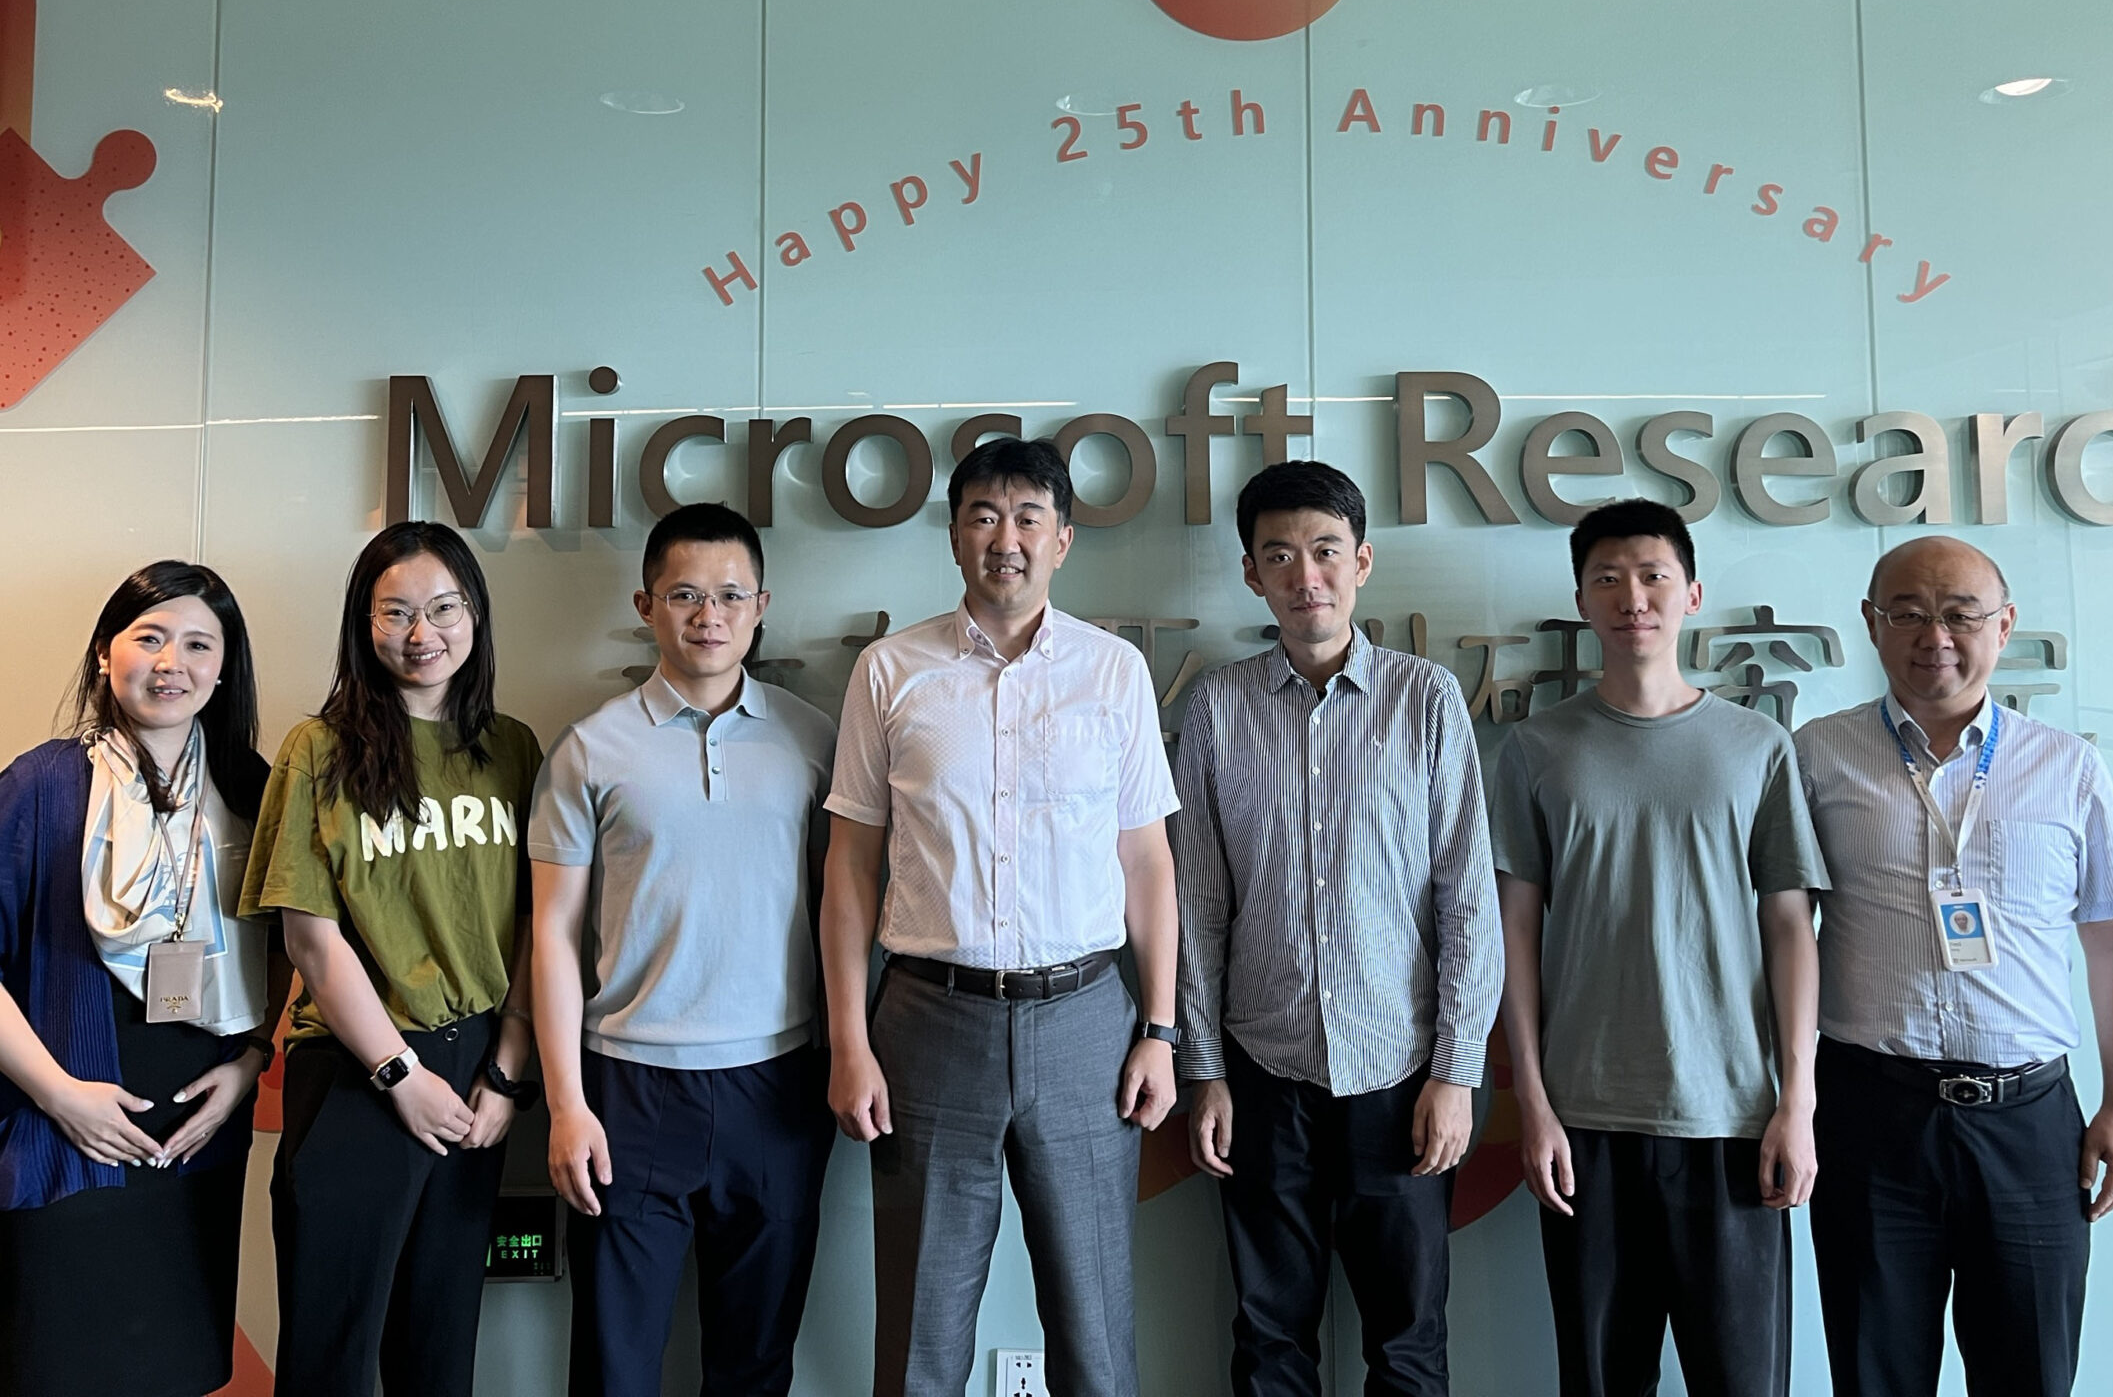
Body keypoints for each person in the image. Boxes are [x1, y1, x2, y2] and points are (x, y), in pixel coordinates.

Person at [821, 437, 1182, 1397]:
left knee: (1095, 1329)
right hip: (928, 1026)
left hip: (1087, 1028)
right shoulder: (890, 672)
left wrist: (1159, 1027)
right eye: (984, 516)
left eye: (1029, 519)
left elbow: (1146, 861)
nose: (1006, 539)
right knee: (919, 1335)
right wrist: (849, 1041)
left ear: (1063, 540)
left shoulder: (1115, 673)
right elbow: (851, 866)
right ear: (953, 535)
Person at [1795, 536, 2113, 1397]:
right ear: (1871, 626)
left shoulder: (2067, 765)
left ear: (2004, 626)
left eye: (1960, 615)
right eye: (1910, 614)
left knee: (2030, 1375)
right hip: (1870, 1115)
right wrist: (1794, 1096)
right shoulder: (1816, 756)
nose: (1937, 637)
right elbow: (1783, 934)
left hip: (2030, 1125)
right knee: (1876, 1374)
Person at [1172, 461, 1502, 1396]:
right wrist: (1202, 1070)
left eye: (1324, 551)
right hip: (1260, 1069)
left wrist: (1455, 1071)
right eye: (1279, 556)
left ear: (1361, 561)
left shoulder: (1427, 699)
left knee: (1407, 1340)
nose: (1304, 575)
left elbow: (1466, 897)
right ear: (1252, 574)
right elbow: (1196, 904)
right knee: (1269, 1337)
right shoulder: (1216, 708)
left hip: (1399, 1072)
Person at [1490, 498, 1826, 1397]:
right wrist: (1534, 1102)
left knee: (1746, 1381)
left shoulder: (1758, 746)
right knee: (1600, 1381)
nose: (1631, 596)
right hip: (1587, 1120)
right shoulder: (1535, 749)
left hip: (1735, 1122)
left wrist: (1797, 1103)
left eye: (1652, 577)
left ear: (1691, 595)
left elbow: (1791, 926)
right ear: (1582, 600)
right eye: (1608, 578)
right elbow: (1514, 932)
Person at [0, 561, 282, 1397]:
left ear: (224, 667)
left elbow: (292, 950)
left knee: (177, 1373)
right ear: (103, 654)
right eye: (149, 637)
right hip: (65, 1137)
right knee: (54, 1374)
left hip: (192, 1139)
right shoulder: (39, 786)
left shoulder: (252, 789)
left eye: (198, 643)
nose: (172, 662)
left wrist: (249, 1065)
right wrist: (62, 1096)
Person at [529, 502, 838, 1396]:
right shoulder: (591, 748)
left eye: (731, 595)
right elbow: (550, 934)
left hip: (778, 1086)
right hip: (628, 1091)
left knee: (755, 1364)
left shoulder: (812, 740)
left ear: (762, 605)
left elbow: (844, 911)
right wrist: (564, 1105)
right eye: (686, 595)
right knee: (615, 1368)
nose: (710, 616)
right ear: (646, 604)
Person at [239, 521, 543, 1397]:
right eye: (397, 613)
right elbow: (310, 939)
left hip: (479, 1067)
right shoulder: (318, 751)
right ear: (362, 624)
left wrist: (510, 1075)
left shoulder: (513, 748)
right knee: (331, 1356)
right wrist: (398, 1073)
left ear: (475, 616)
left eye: (443, 608)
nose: (423, 634)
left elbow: (537, 928)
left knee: (439, 1348)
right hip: (355, 1067)